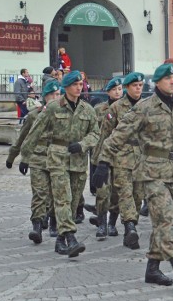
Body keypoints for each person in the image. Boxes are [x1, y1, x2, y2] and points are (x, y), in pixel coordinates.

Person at [93, 63, 173, 286]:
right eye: (168, 78)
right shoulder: (144, 107)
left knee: (164, 222)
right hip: (152, 171)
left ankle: (152, 269)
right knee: (166, 218)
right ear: (158, 83)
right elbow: (119, 134)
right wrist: (103, 162)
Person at [21, 71, 99, 258]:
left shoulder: (88, 109)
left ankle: (60, 241)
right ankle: (70, 237)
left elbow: (96, 133)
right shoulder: (54, 108)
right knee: (62, 198)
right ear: (66, 87)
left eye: (81, 84)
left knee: (72, 202)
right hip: (57, 157)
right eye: (75, 85)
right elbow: (35, 132)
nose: (79, 88)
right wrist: (25, 156)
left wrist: (82, 144)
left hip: (78, 160)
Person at [7, 80, 61, 241]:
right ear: (46, 97)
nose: (57, 98)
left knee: (55, 194)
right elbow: (23, 137)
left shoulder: (64, 114)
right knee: (39, 193)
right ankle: (36, 226)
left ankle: (53, 223)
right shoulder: (34, 115)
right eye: (54, 95)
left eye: (59, 95)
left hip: (57, 159)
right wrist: (14, 157)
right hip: (38, 158)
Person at [97, 72, 145, 249]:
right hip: (121, 156)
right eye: (135, 85)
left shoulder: (147, 107)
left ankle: (131, 222)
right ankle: (129, 226)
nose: (138, 88)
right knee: (125, 192)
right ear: (127, 88)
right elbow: (105, 136)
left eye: (141, 85)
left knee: (138, 195)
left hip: (141, 157)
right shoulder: (116, 108)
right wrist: (101, 161)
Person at [87, 76, 123, 238]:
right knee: (102, 192)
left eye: (120, 89)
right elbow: (94, 132)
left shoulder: (126, 109)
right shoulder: (99, 109)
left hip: (120, 156)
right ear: (108, 92)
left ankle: (112, 223)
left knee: (116, 193)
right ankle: (101, 223)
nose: (118, 92)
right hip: (101, 154)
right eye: (114, 89)